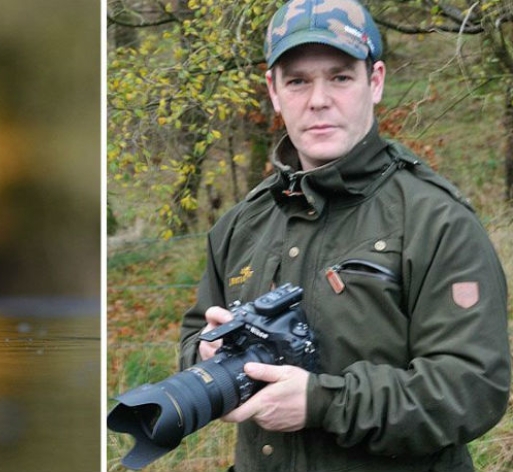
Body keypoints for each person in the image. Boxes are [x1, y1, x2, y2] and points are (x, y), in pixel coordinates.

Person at [178, 0, 511, 470]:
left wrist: (322, 402)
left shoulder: (436, 221)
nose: (318, 100)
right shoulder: (242, 224)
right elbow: (194, 334)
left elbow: (472, 389)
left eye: (339, 77)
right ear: (273, 91)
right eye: (297, 81)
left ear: (374, 82)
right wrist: (205, 352)